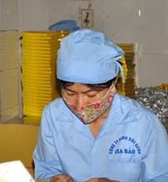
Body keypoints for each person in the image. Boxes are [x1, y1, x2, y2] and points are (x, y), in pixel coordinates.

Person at [33, 29, 168, 182]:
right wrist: (53, 179)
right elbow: (45, 169)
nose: (80, 104)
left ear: (114, 82)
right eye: (70, 93)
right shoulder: (54, 116)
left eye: (90, 94)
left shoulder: (143, 123)